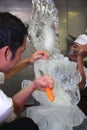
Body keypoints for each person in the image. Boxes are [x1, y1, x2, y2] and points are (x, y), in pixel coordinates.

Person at [0, 12, 54, 130]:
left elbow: (6, 75)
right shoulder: (2, 104)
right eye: (21, 52)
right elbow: (10, 115)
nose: (21, 57)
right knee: (27, 125)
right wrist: (33, 86)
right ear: (6, 52)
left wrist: (29, 60)